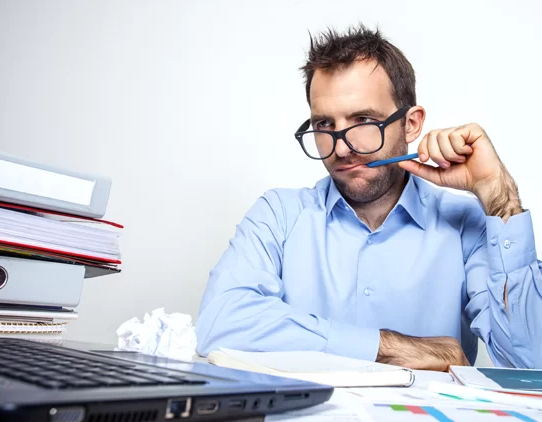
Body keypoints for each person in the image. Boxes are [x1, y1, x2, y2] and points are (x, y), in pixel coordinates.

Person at [195, 24, 542, 370]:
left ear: (410, 124)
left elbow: (531, 361)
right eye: (325, 125)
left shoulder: (465, 224)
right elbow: (220, 322)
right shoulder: (278, 215)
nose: (342, 147)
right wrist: (385, 347)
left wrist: (500, 198)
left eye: (363, 119)